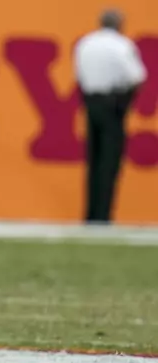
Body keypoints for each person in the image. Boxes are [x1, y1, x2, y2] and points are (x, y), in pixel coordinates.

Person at [74, 9, 147, 224]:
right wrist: (125, 101)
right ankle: (103, 215)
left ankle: (90, 214)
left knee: (93, 160)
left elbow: (80, 75)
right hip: (113, 105)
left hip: (91, 102)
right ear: (119, 24)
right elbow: (137, 76)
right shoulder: (121, 45)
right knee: (110, 160)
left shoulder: (86, 43)